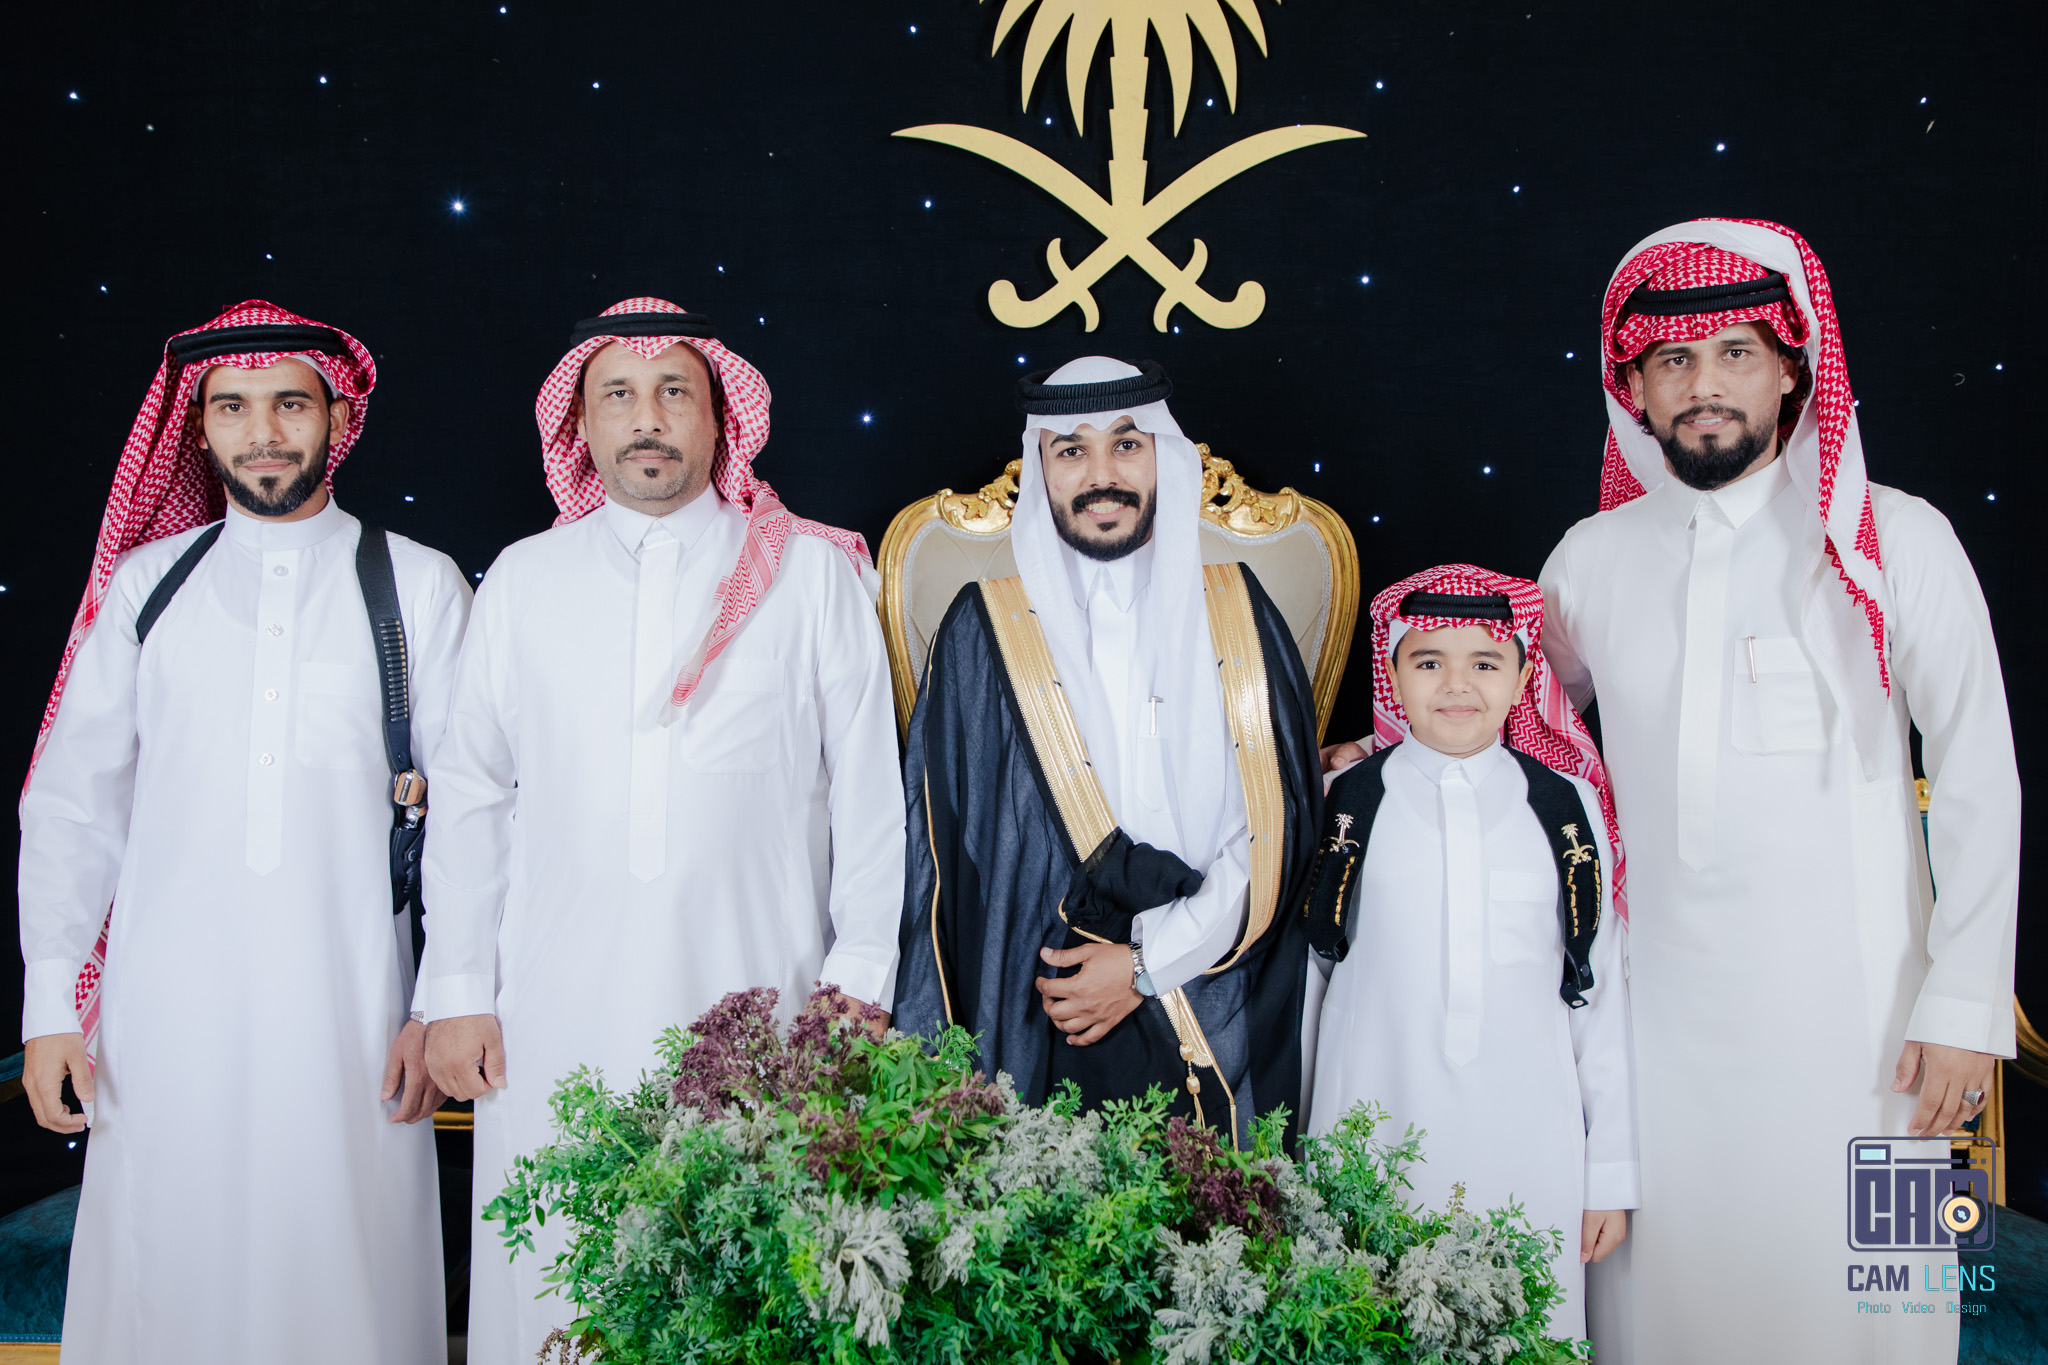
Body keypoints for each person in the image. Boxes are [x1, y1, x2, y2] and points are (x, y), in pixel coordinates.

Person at [1541, 219, 2017, 1363]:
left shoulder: (1896, 539)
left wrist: (1963, 1009)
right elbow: (1515, 736)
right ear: (1632, 388)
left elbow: (1976, 772)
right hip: (1655, 1041)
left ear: (1792, 371)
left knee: (1887, 1310)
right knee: (1664, 1319)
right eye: (1671, 360)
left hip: (1876, 1037)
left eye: (1734, 354)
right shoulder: (1588, 561)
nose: (1702, 386)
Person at [420, 297, 905, 1363]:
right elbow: (470, 796)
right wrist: (454, 991)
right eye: (619, 396)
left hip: (763, 1003)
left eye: (673, 391)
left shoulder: (810, 574)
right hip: (550, 1009)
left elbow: (872, 793)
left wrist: (859, 978)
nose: (647, 418)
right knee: (559, 1270)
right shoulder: (523, 581)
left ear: (720, 418)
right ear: (580, 426)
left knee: (745, 1287)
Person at [16, 301, 466, 1364]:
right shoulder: (148, 586)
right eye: (232, 408)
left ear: (337, 416)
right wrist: (50, 1005)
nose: (262, 432)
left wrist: (439, 1001)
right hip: (162, 1026)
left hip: (355, 1018)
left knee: (341, 1285)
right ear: (198, 425)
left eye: (289, 405)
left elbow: (474, 815)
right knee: (168, 1281)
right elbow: (73, 806)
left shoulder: (418, 585)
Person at [893, 357, 1322, 1144]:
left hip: (1215, 993)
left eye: (1126, 445)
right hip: (1040, 1009)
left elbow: (1278, 835)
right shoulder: (983, 632)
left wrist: (1146, 963)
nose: (1101, 475)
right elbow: (949, 866)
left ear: (1164, 456)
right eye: (1071, 450)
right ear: (1041, 469)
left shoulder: (1238, 613)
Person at [1304, 564, 1637, 1341]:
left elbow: (1597, 992)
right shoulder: (1346, 802)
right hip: (1370, 1130)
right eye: (1429, 661)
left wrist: (1610, 1174)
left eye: (1485, 662)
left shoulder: (1565, 807)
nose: (1457, 684)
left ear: (1522, 678)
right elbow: (1308, 987)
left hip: (1532, 1143)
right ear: (1393, 676)